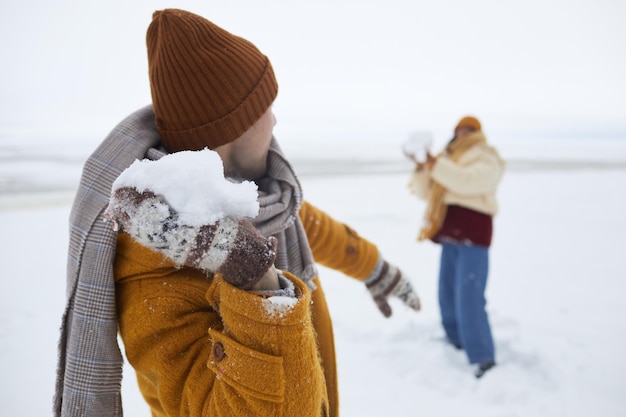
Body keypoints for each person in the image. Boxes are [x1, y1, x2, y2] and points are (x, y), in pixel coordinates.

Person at [54, 9, 421, 417]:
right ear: (234, 127)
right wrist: (257, 282)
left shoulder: (266, 205)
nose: (275, 119)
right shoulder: (154, 278)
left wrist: (377, 271)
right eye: (266, 107)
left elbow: (317, 229)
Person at [406, 115, 505, 378]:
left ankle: (482, 356)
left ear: (477, 132)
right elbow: (428, 192)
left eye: (469, 129)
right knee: (447, 293)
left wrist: (435, 164)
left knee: (470, 297)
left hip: (474, 235)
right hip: (450, 234)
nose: (463, 133)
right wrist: (421, 167)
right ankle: (455, 339)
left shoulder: (487, 157)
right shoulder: (447, 158)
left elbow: (468, 182)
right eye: (459, 129)